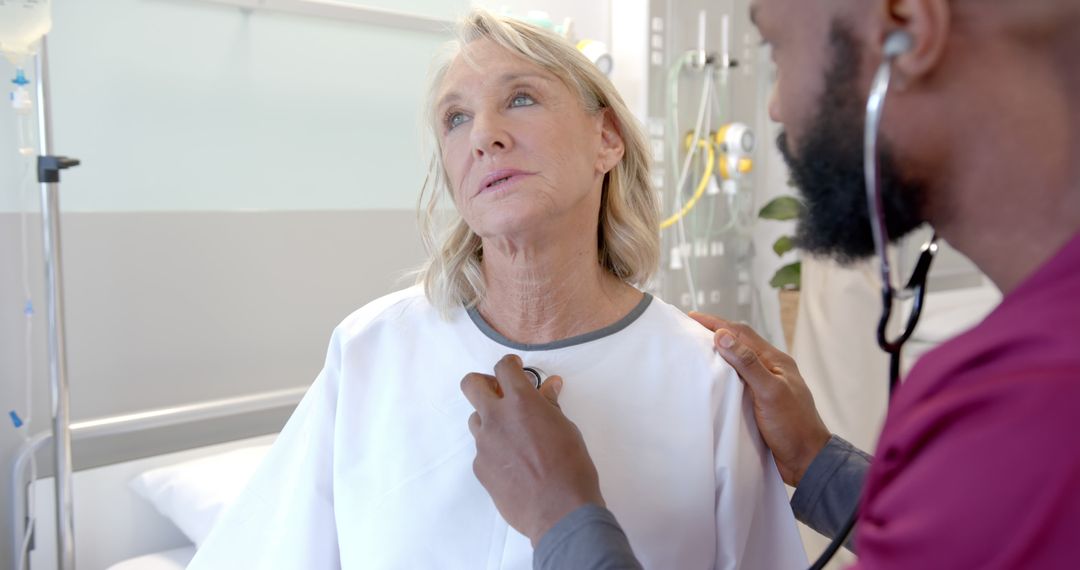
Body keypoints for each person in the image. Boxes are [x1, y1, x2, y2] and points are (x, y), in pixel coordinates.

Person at [463, 0, 1080, 567]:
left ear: (905, 32)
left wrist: (563, 518)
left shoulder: (1035, 405)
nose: (776, 106)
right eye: (455, 117)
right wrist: (816, 460)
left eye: (779, 51)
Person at [188, 10, 807, 569]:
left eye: (521, 98)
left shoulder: (707, 377)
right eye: (456, 118)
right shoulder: (369, 350)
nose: (484, 134)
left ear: (607, 139)